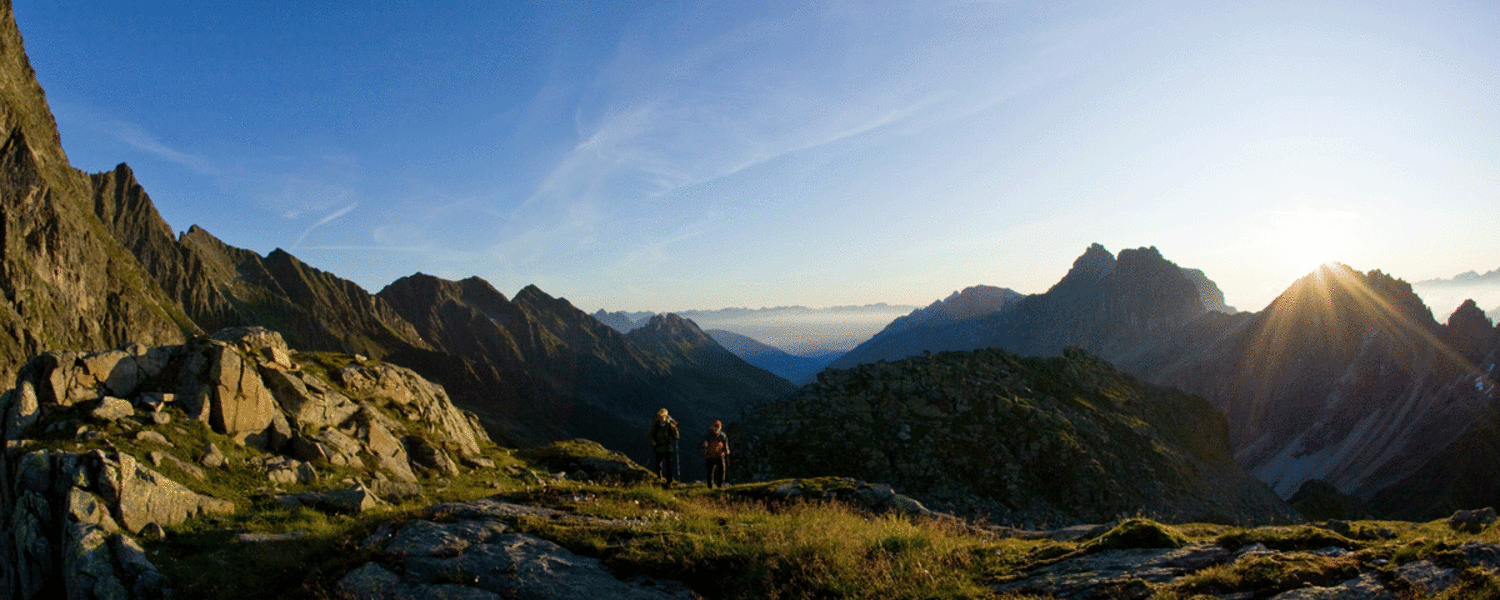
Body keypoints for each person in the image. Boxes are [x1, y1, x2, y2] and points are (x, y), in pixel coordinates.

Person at [647, 408, 679, 485]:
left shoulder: (669, 425)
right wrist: (653, 443)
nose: (661, 418)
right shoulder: (655, 425)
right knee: (658, 464)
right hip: (659, 447)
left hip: (667, 447)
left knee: (668, 465)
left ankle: (669, 480)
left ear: (665, 416)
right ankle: (659, 476)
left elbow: (675, 436)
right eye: (660, 416)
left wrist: (675, 432)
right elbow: (650, 435)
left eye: (662, 416)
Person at [701, 419, 730, 488]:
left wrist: (726, 450)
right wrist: (705, 446)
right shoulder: (708, 435)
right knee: (710, 472)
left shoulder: (723, 436)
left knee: (722, 470)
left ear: (720, 427)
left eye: (718, 427)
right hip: (710, 456)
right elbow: (704, 443)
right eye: (715, 427)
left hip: (719, 456)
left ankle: (720, 484)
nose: (716, 428)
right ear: (712, 427)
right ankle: (710, 485)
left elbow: (725, 445)